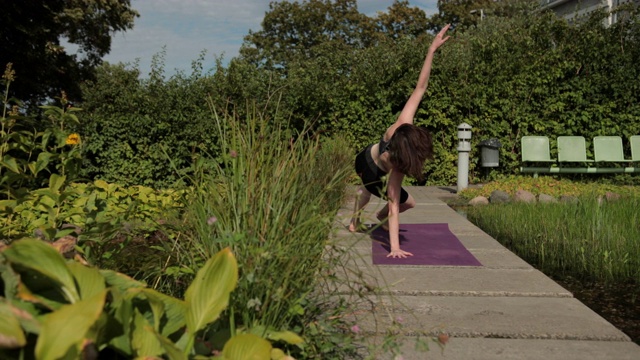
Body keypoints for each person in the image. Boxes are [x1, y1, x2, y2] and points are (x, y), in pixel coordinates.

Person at [348, 24, 451, 258]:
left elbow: (420, 87)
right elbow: (394, 205)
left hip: (366, 156)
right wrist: (394, 248)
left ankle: (362, 218)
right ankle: (359, 221)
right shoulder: (397, 164)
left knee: (389, 197)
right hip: (370, 168)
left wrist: (431, 50)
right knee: (391, 198)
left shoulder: (403, 123)